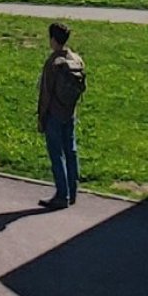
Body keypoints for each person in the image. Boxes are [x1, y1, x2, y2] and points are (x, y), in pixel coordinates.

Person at [36, 21, 86, 209]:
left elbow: (46, 93)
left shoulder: (53, 63)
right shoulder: (77, 59)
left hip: (54, 114)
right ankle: (72, 192)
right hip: (70, 112)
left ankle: (61, 194)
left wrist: (41, 117)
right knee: (71, 151)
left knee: (57, 155)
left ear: (53, 39)